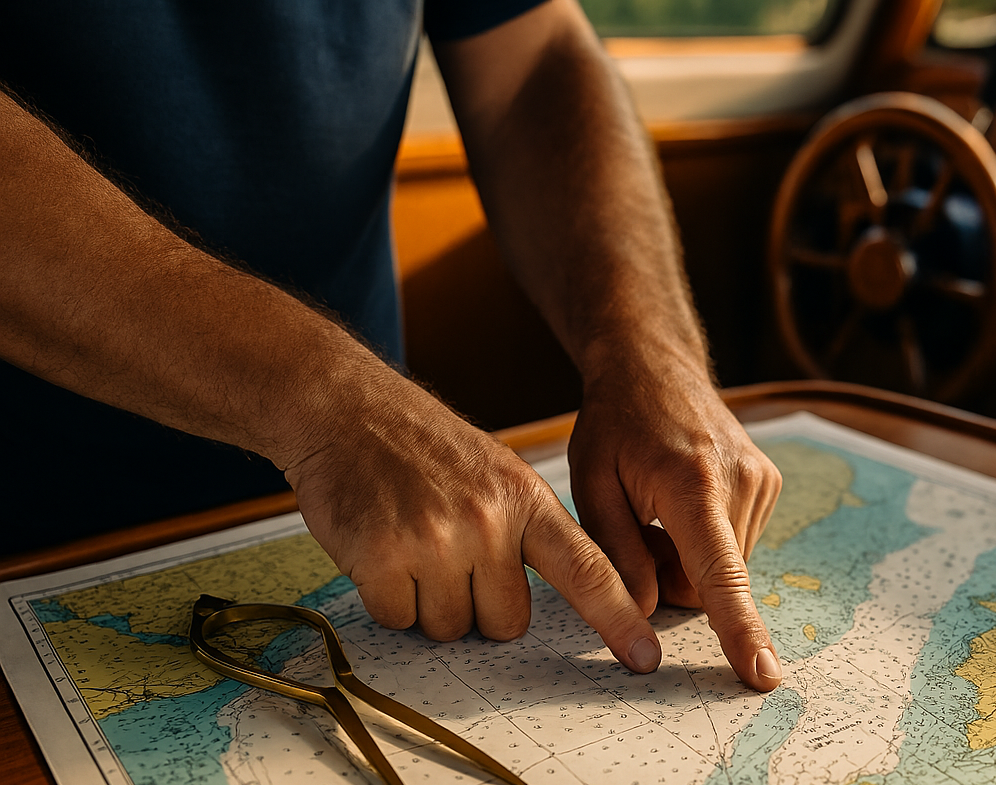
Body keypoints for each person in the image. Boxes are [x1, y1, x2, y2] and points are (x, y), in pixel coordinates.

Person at [0, 0, 785, 690]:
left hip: (386, 552)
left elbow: (532, 52)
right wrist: (326, 403)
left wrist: (648, 349)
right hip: (35, 552)